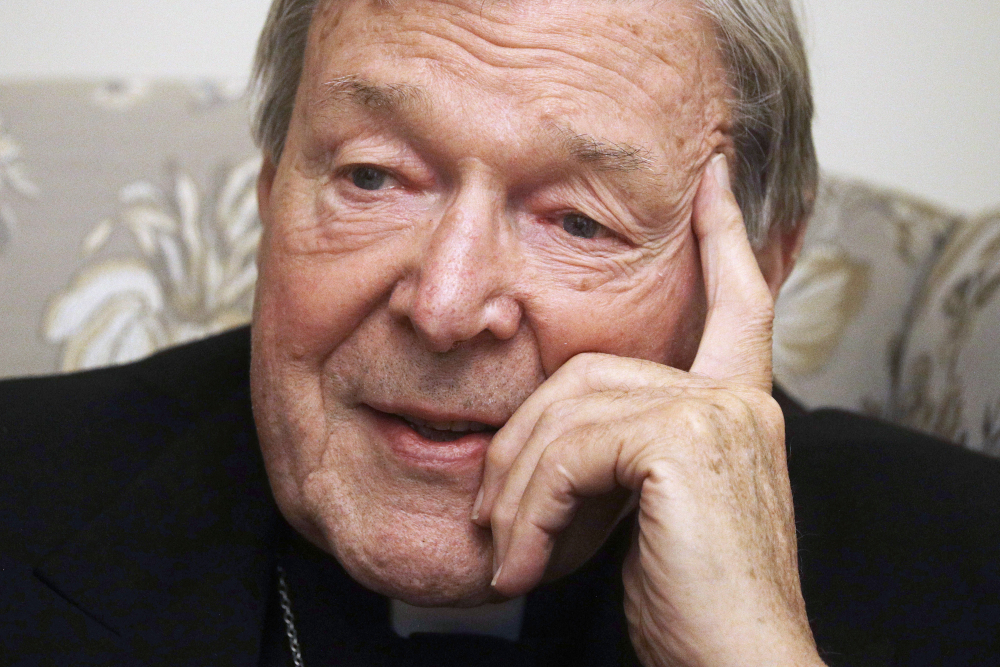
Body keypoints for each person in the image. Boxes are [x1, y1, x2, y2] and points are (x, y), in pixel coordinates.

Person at [2, 1, 998, 665]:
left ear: (764, 265)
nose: (444, 305)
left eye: (576, 219)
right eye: (371, 176)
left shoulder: (966, 563)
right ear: (269, 191)